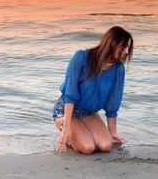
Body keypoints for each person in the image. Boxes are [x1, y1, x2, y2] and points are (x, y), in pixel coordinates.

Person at [52, 26, 133, 154]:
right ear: (112, 43)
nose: (127, 51)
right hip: (66, 110)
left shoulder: (118, 69)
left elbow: (113, 103)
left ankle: (81, 131)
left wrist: (112, 132)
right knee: (88, 147)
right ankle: (70, 131)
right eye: (124, 46)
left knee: (106, 146)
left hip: (88, 113)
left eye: (129, 47)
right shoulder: (81, 57)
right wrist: (66, 127)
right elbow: (70, 94)